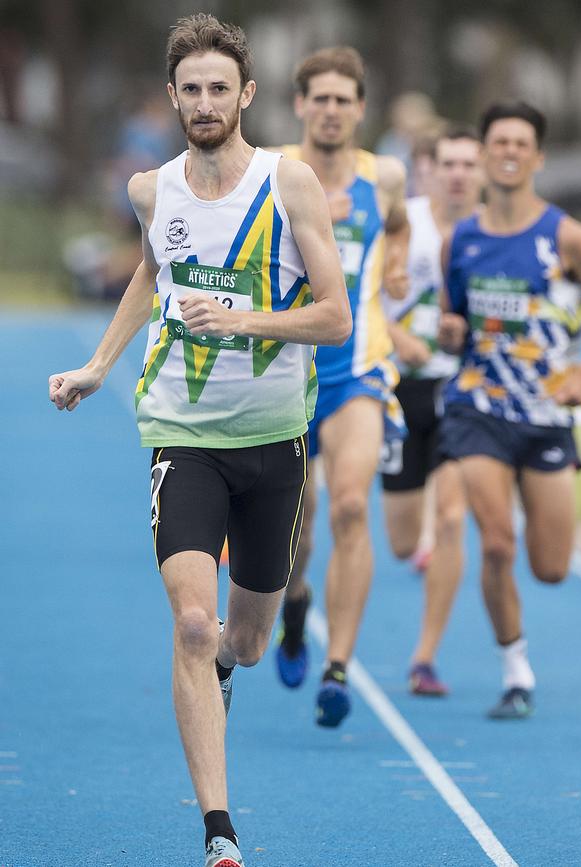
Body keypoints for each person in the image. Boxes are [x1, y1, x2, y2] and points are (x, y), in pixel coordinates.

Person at [49, 15, 351, 867]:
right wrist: (101, 363)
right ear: (173, 97)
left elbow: (335, 316)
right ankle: (219, 831)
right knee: (190, 621)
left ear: (246, 94)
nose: (206, 102)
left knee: (242, 640)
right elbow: (153, 269)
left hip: (275, 437)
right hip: (181, 430)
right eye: (192, 89)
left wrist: (245, 317)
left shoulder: (289, 186)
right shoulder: (153, 189)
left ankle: (232, 657)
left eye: (221, 88)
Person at [438, 101, 581, 720]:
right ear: (484, 152)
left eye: (520, 143)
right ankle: (516, 669)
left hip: (547, 414)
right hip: (478, 408)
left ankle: (521, 647)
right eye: (498, 140)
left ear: (536, 157)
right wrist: (450, 332)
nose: (508, 151)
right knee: (496, 543)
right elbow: (454, 319)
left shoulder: (565, 236)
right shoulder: (461, 239)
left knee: (550, 568)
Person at [272, 47, 410, 727]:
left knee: (352, 506)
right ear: (300, 105)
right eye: (318, 98)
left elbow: (401, 228)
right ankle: (295, 604)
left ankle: (338, 666)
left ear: (361, 109)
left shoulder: (384, 177)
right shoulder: (271, 170)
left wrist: (397, 272)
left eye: (342, 100)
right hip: (284, 371)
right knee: (295, 533)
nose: (330, 111)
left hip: (357, 371)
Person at [380, 127, 483, 696]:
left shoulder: (493, 234)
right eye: (449, 163)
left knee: (448, 521)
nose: (459, 174)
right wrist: (398, 337)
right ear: (431, 167)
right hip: (403, 389)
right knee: (401, 540)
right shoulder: (405, 223)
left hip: (464, 395)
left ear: (483, 170)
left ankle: (424, 658)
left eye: (470, 164)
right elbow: (362, 292)